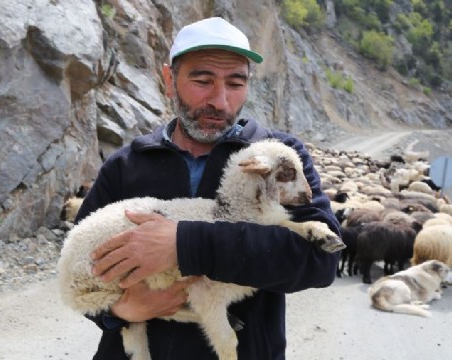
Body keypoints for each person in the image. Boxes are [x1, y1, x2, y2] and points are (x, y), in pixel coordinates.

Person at [73, 16, 340, 360]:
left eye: (235, 83)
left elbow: (320, 261)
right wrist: (118, 312)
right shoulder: (126, 167)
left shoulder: (280, 158)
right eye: (202, 80)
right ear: (169, 80)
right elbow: (80, 266)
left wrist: (183, 244)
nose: (221, 100)